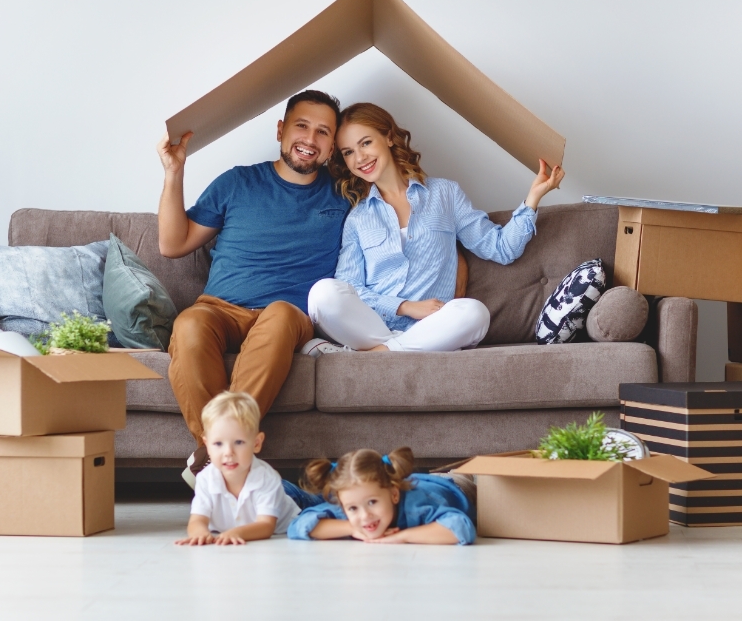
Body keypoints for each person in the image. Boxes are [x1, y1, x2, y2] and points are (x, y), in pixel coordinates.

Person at [156, 90, 350, 485]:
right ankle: (222, 461)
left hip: (289, 314)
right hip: (220, 308)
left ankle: (214, 462)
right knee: (190, 323)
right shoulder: (237, 182)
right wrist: (174, 172)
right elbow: (172, 245)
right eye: (301, 126)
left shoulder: (345, 193)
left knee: (278, 314)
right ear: (280, 130)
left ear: (333, 145)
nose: (310, 140)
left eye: (323, 132)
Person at [302, 102, 565, 355]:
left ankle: (376, 355)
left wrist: (533, 198)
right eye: (348, 152)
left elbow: (501, 249)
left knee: (475, 313)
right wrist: (404, 307)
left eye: (366, 143)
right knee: (322, 294)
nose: (360, 158)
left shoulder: (445, 194)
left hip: (431, 328)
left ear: (389, 137)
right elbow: (351, 287)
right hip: (371, 327)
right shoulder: (357, 218)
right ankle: (394, 349)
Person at [175, 392, 300, 546]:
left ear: (256, 443)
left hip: (292, 506)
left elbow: (266, 526)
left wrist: (237, 532)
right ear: (206, 445)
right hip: (276, 495)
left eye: (239, 442)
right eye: (218, 444)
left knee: (321, 501)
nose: (228, 452)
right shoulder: (206, 478)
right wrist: (200, 533)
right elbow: (197, 520)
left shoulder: (267, 477)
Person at [285, 447, 476, 545]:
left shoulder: (418, 507)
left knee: (462, 477)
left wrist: (401, 536)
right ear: (343, 506)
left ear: (394, 495)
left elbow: (462, 528)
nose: (365, 515)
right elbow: (297, 526)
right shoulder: (353, 506)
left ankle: (461, 471)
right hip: (412, 481)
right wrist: (351, 528)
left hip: (451, 487)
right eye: (352, 508)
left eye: (372, 502)